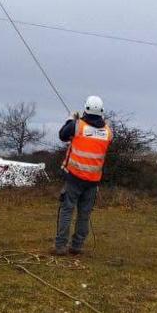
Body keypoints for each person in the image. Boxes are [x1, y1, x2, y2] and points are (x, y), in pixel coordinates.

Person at [54, 95, 112, 256]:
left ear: (85, 108)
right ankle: (77, 246)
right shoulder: (108, 132)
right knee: (84, 214)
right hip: (93, 180)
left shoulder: (77, 125)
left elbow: (62, 135)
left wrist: (70, 119)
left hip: (74, 177)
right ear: (101, 112)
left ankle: (60, 246)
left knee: (67, 210)